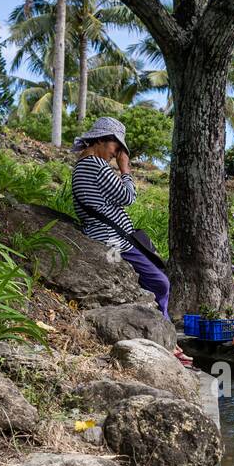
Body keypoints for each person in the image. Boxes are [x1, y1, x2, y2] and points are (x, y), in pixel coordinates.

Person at [71, 117, 192, 366]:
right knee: (160, 282)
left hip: (109, 237)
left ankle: (170, 341)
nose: (117, 154)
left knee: (156, 280)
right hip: (114, 241)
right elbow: (128, 197)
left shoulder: (83, 166)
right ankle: (169, 344)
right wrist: (125, 169)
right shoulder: (95, 164)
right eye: (116, 147)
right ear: (102, 140)